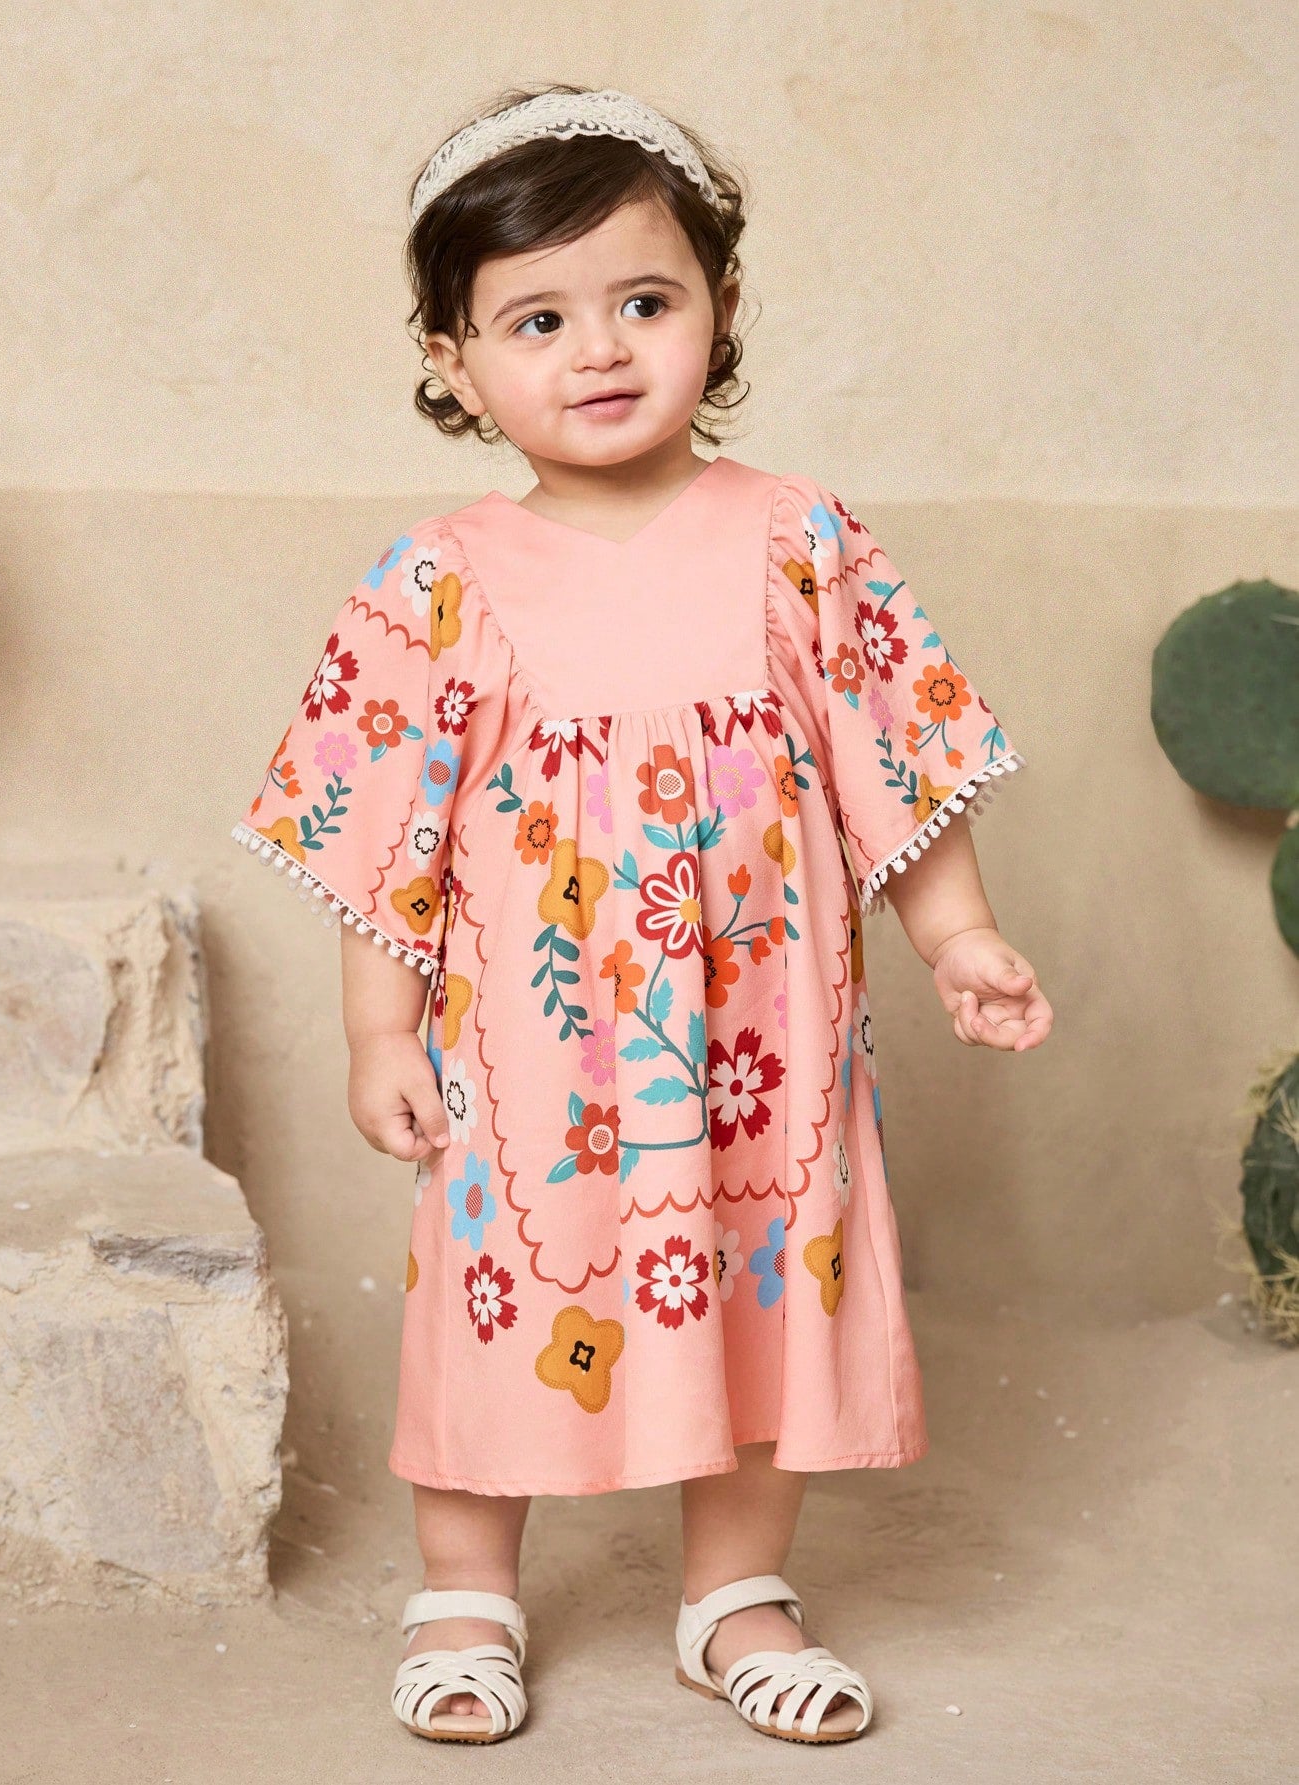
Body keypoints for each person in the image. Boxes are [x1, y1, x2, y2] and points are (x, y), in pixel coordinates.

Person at [229, 82, 1053, 1748]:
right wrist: (378, 1028)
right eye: (537, 319)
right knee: (504, 1294)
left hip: (762, 1045)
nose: (598, 350)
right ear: (458, 362)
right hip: (534, 1054)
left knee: (767, 1287)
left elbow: (898, 756)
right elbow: (379, 830)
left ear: (719, 309)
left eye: (645, 302)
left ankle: (734, 1593)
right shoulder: (437, 580)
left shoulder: (800, 539)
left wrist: (960, 934)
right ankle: (467, 1588)